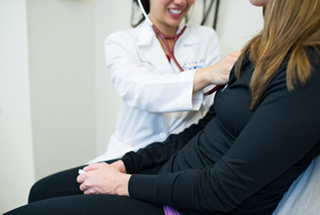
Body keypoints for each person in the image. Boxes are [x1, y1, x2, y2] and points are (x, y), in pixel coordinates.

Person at [4, 0, 320, 214]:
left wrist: (121, 184)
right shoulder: (260, 50)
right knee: (42, 191)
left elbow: (224, 186)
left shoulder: (304, 71)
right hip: (162, 161)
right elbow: (143, 92)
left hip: (186, 198)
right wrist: (127, 165)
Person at [89, 0, 237, 162]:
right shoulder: (121, 41)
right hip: (130, 152)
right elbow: (140, 90)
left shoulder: (206, 38)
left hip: (184, 154)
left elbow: (215, 106)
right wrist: (207, 74)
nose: (181, 2)